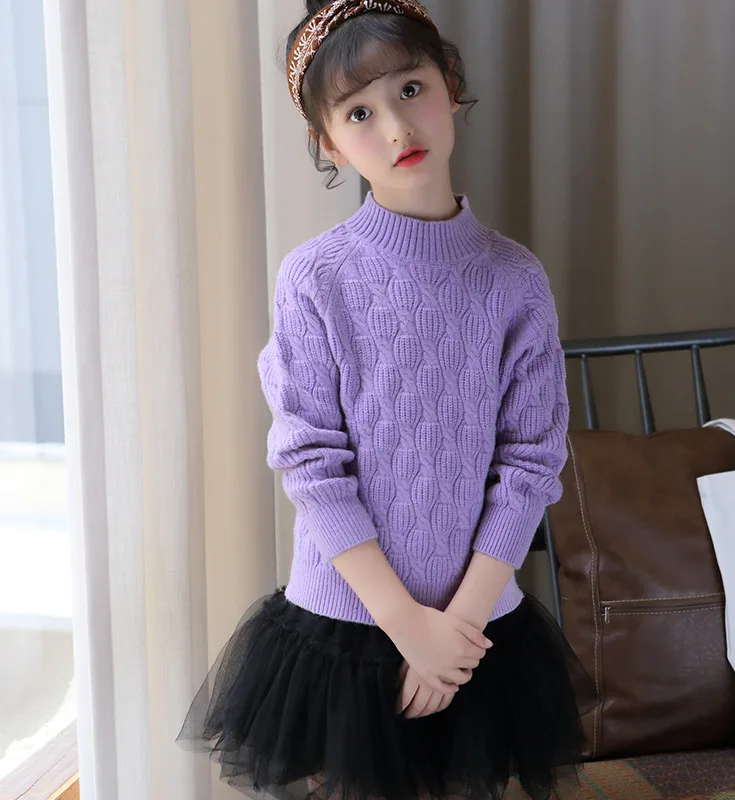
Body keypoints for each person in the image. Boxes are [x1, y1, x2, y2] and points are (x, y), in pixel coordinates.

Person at [177, 2, 594, 798]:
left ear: (450, 87)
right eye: (360, 112)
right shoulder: (315, 278)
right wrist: (410, 630)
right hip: (350, 628)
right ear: (329, 144)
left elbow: (531, 462)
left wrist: (454, 637)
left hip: (479, 630)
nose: (397, 126)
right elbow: (312, 465)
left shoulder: (515, 279)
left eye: (411, 89)